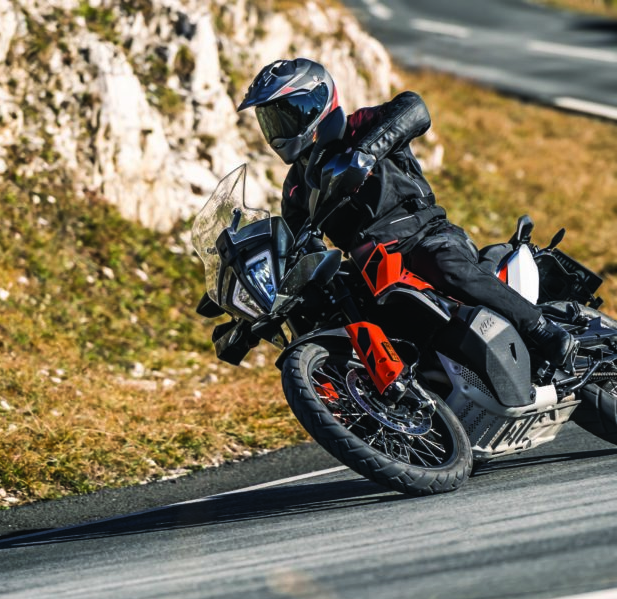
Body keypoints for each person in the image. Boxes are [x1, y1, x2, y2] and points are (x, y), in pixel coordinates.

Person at [237, 58, 577, 370]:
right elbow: (298, 245)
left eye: (285, 114)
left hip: (426, 236)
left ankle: (542, 328)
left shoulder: (358, 127)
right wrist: (253, 308)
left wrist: (365, 153)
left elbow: (414, 108)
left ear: (315, 103)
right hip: (373, 267)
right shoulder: (296, 187)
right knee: (333, 305)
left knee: (439, 262)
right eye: (269, 120)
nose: (276, 129)